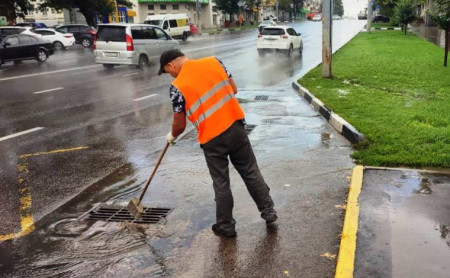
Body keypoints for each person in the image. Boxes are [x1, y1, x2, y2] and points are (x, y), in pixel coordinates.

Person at [158, 49, 277, 237]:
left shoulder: (177, 87)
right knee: (250, 171)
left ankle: (226, 226)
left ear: (171, 65)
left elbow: (179, 125)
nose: (170, 75)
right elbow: (234, 89)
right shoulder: (215, 62)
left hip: (212, 138)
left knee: (221, 183)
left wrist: (172, 136)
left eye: (168, 71)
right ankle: (268, 212)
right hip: (235, 126)